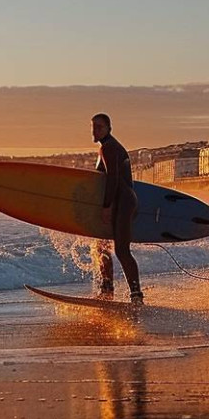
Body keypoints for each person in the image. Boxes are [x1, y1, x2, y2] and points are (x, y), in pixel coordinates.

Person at [91, 113, 143, 304]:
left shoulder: (109, 148)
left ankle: (136, 295)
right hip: (121, 200)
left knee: (122, 250)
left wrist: (106, 206)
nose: (95, 131)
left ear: (108, 129)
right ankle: (107, 290)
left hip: (122, 202)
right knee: (101, 247)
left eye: (99, 127)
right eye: (93, 127)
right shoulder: (108, 147)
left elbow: (112, 178)